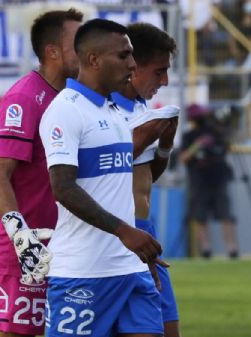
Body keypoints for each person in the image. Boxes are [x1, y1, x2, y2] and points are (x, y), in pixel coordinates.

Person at [39, 18, 164, 336]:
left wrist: (137, 248)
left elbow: (121, 188)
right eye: (123, 56)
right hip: (83, 272)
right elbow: (63, 188)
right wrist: (126, 232)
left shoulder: (114, 112)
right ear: (93, 60)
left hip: (131, 268)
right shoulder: (65, 111)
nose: (132, 64)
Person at [0, 8, 83, 337]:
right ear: (52, 52)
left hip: (63, 245)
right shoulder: (26, 97)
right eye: (77, 43)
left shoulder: (70, 99)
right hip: (25, 249)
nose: (85, 51)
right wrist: (21, 236)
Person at [111, 22, 180, 337]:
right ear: (133, 65)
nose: (164, 81)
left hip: (145, 234)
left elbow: (146, 177)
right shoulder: (102, 108)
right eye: (159, 71)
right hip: (115, 236)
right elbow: (101, 172)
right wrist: (143, 137)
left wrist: (165, 144)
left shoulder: (140, 107)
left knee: (168, 330)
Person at [180, 104, 238, 259]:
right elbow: (183, 158)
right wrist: (198, 145)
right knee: (200, 217)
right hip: (199, 181)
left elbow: (226, 146)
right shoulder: (189, 136)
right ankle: (206, 250)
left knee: (226, 215)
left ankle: (232, 249)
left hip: (219, 178)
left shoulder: (216, 132)